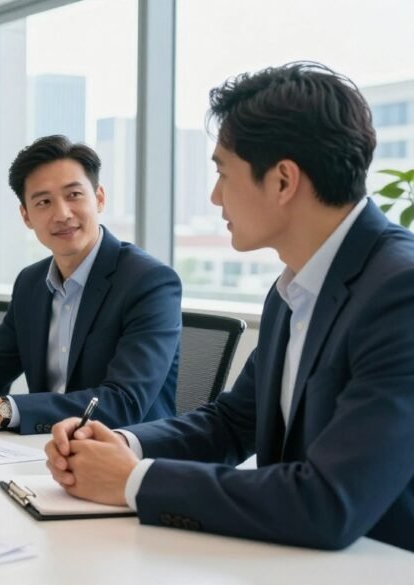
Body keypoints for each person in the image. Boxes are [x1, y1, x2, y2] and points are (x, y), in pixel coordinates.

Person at [44, 62, 414, 553]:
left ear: (283, 181)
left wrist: (134, 481)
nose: (214, 196)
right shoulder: (295, 286)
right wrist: (120, 444)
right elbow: (232, 423)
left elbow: (330, 501)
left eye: (222, 172)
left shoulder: (399, 292)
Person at [0, 137, 181, 434]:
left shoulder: (149, 281)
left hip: (126, 457)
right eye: (43, 202)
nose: (61, 214)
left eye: (73, 195)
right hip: (43, 451)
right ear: (26, 216)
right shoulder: (31, 283)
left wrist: (3, 409)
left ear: (99, 198)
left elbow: (124, 402)